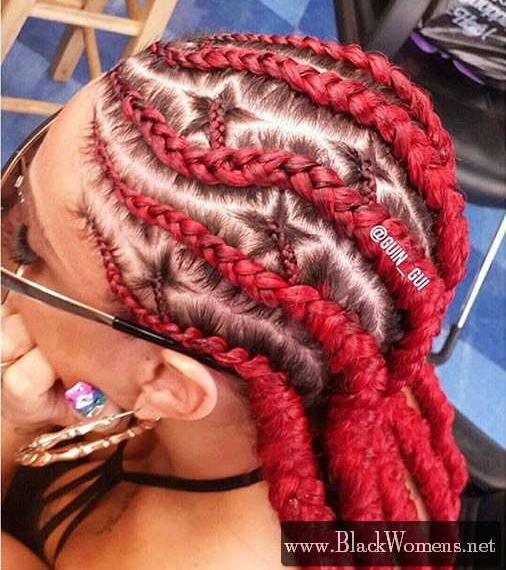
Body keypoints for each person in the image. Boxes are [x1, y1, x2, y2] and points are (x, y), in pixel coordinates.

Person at [1, 32, 470, 569]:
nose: (9, 262)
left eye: (27, 247)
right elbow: (112, 402)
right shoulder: (345, 342)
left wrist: (10, 425)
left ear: (170, 386)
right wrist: (63, 406)